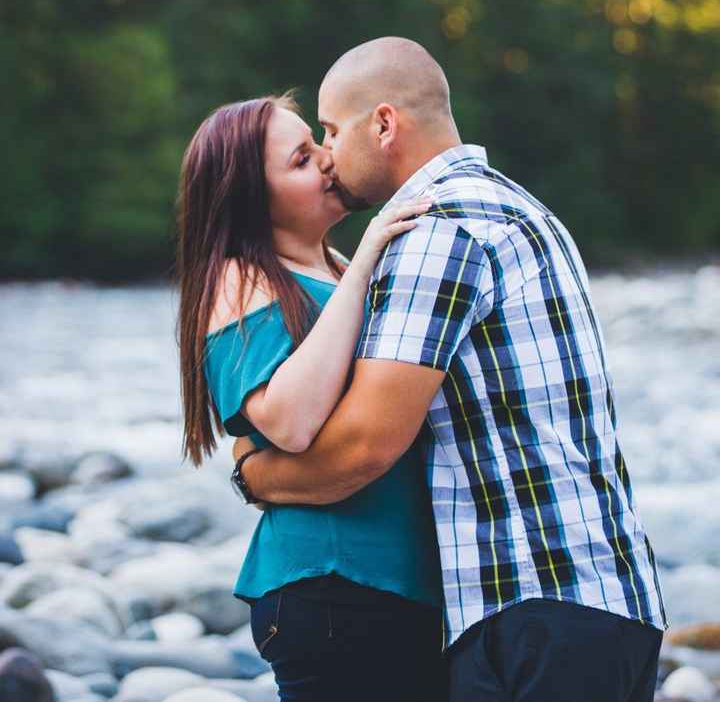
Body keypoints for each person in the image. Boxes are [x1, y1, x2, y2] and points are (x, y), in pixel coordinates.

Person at [233, 37, 667, 702]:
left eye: (330, 130)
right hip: (601, 598)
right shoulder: (520, 208)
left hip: (536, 606)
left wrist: (257, 475)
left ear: (383, 124)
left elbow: (364, 446)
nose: (326, 154)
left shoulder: (438, 228)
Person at [175, 91, 448, 702]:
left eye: (317, 143)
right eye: (300, 160)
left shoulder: (330, 265)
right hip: (334, 584)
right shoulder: (240, 279)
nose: (327, 160)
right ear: (252, 200)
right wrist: (366, 264)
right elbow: (291, 423)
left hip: (392, 582)